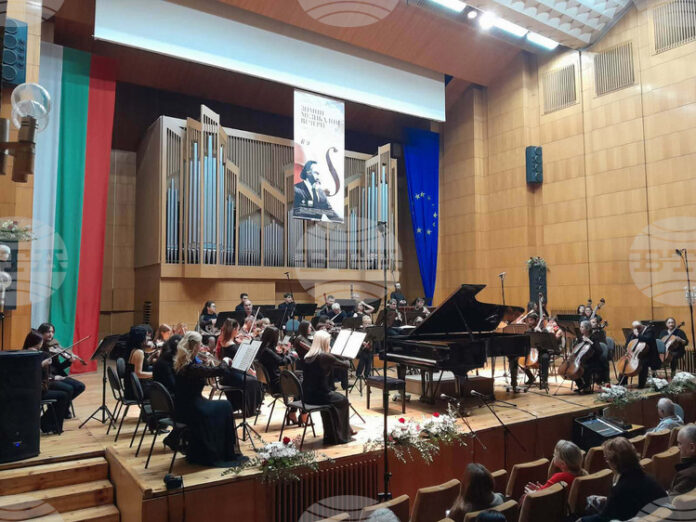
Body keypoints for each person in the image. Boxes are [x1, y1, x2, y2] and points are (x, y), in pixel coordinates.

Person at [172, 331, 245, 467]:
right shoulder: (192, 367)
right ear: (195, 347)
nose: (201, 347)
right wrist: (225, 361)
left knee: (223, 405)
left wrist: (207, 364)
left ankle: (216, 447)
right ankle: (219, 451)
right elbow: (220, 371)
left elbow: (202, 371)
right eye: (200, 345)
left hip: (183, 403)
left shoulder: (181, 362)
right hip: (192, 406)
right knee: (225, 406)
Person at [579, 437, 665, 522]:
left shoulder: (620, 489)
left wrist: (582, 520)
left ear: (614, 462)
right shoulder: (649, 479)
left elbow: (604, 518)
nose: (606, 461)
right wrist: (609, 501)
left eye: (606, 458)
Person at [301, 330, 354, 444]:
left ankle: (333, 433)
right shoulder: (324, 356)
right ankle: (341, 435)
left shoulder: (308, 356)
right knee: (343, 400)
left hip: (307, 396)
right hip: (321, 396)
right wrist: (344, 355)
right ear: (325, 342)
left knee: (337, 399)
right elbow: (346, 365)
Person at [23, 330, 70, 434]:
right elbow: (28, 374)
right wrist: (41, 365)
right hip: (35, 391)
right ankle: (50, 425)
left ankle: (48, 423)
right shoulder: (36, 355)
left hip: (38, 388)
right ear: (38, 342)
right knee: (63, 395)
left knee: (65, 393)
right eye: (41, 341)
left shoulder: (26, 353)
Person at [216, 319, 264, 417]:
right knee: (253, 381)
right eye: (237, 329)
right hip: (231, 375)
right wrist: (251, 371)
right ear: (233, 330)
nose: (238, 332)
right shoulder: (231, 344)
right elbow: (241, 360)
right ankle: (249, 409)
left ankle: (244, 406)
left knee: (252, 379)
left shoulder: (223, 340)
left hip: (227, 373)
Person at [37, 323, 86, 413]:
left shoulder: (53, 346)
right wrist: (53, 377)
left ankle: (61, 407)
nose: (51, 334)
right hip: (48, 378)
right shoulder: (39, 348)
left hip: (58, 375)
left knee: (80, 386)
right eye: (48, 332)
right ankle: (59, 411)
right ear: (41, 333)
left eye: (52, 332)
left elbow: (59, 367)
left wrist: (69, 361)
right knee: (69, 388)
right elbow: (39, 370)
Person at [619, 321, 660, 389]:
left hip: (649, 355)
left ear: (642, 326)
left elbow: (647, 340)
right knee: (625, 361)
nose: (637, 330)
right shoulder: (634, 332)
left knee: (643, 363)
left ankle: (641, 384)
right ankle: (622, 382)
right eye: (635, 328)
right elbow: (628, 343)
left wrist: (638, 335)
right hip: (636, 354)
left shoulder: (649, 331)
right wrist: (627, 350)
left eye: (639, 328)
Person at [123, 325, 155, 401]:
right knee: (162, 390)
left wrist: (151, 356)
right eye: (146, 336)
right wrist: (154, 374)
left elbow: (141, 365)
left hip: (130, 387)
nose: (148, 338)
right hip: (135, 391)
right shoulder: (139, 352)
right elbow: (138, 374)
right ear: (140, 338)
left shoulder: (131, 349)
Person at [573, 320, 604, 394]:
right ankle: (580, 385)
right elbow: (576, 349)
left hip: (593, 360)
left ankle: (587, 386)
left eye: (582, 327)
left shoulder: (594, 337)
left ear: (587, 329)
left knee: (585, 367)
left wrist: (589, 341)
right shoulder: (580, 338)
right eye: (580, 327)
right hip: (582, 359)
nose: (580, 328)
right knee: (573, 368)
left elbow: (599, 351)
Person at [669, 424, 696, 496]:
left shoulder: (687, 476)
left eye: (679, 443)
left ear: (692, 447)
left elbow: (672, 501)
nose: (678, 447)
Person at [355, 315, 374, 379]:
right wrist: (362, 342)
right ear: (362, 324)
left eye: (369, 324)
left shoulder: (371, 330)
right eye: (365, 323)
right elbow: (357, 339)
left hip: (369, 349)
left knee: (369, 359)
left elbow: (372, 339)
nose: (367, 325)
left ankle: (367, 374)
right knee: (363, 359)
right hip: (361, 349)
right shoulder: (359, 330)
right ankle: (359, 373)